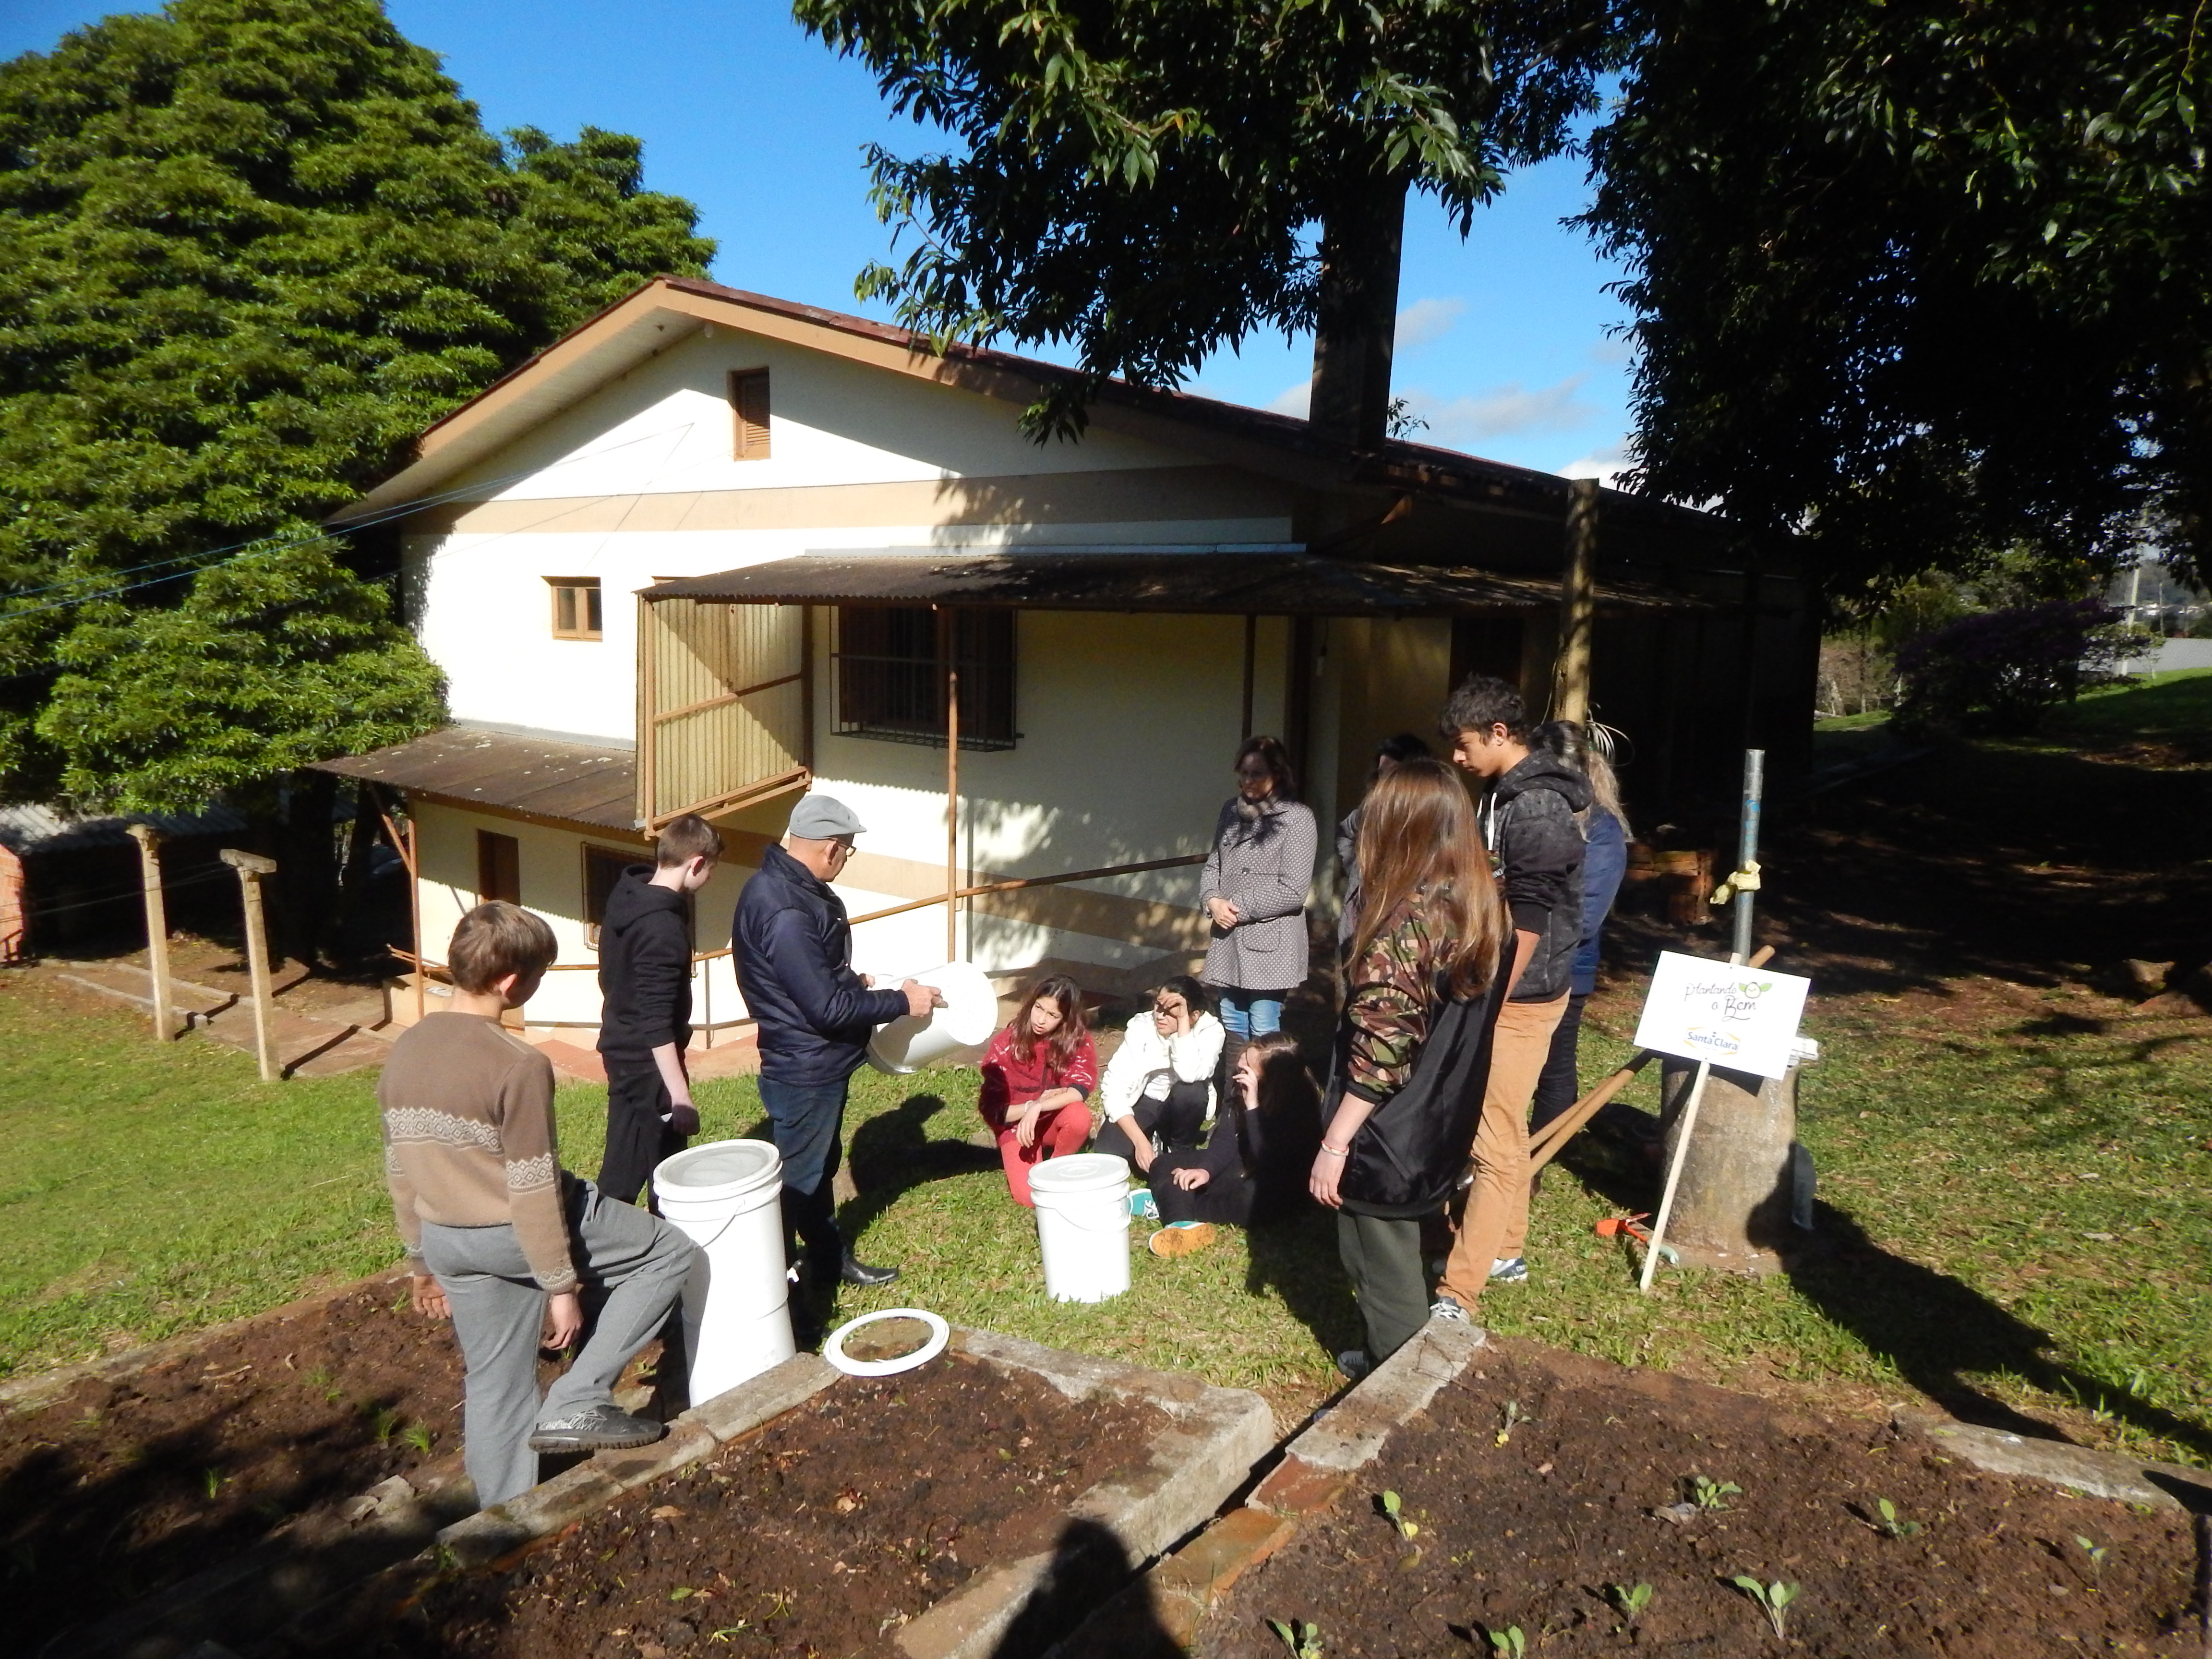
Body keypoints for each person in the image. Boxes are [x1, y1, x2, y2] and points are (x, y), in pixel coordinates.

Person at [384, 902, 698, 1506]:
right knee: (666, 1254)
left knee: (495, 1385)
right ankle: (579, 1399)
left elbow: (399, 1168)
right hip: (515, 1228)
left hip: (448, 1239)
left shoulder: (407, 1048)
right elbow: (531, 1182)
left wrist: (421, 1263)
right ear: (510, 982)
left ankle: (498, 1518)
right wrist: (561, 1287)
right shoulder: (518, 1063)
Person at [1309, 759, 1509, 1376]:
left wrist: (1336, 1143)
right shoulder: (1478, 901)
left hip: (1387, 1135)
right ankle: (1385, 1353)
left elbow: (1382, 1050)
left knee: (1380, 1266)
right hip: (1438, 1118)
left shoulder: (1403, 921)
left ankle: (1398, 1383)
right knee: (1396, 1251)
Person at [732, 794, 941, 1304]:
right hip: (806, 1066)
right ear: (830, 848)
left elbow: (807, 982)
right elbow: (824, 1009)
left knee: (817, 1165)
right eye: (847, 851)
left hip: (811, 1058)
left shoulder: (780, 887)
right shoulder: (787, 910)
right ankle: (777, 1293)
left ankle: (827, 1259)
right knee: (796, 1183)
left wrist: (851, 981)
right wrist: (899, 1000)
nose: (846, 860)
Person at [1434, 676, 1592, 1310]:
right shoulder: (1501, 795)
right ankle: (1506, 1251)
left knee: (1492, 1139)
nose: (1457, 758)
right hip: (1505, 985)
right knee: (1505, 1124)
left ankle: (1459, 1290)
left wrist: (1493, 999)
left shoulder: (1538, 809)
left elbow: (1530, 917)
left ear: (1501, 735)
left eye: (1465, 745)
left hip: (1522, 995)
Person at [595, 813, 722, 1210]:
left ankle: (596, 1245)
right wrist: (679, 1097)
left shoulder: (627, 896)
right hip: (648, 1062)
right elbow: (656, 1023)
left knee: (624, 1161)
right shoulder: (662, 930)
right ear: (697, 863)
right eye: (711, 871)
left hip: (620, 1048)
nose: (709, 881)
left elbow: (611, 976)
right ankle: (654, 1255)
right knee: (666, 1178)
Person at [1527, 721, 1632, 1142]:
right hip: (1522, 963)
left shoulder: (1602, 831)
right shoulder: (1531, 816)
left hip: (1568, 967)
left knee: (1554, 1065)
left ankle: (1543, 1150)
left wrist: (1525, 928)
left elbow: (1587, 917)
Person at [1201, 734, 1319, 1077]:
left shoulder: (1298, 819)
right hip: (1227, 935)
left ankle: (1268, 1098)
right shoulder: (1229, 811)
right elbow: (1213, 867)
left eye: (1257, 773)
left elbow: (1294, 889)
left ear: (1278, 774)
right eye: (1244, 773)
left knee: (1263, 1020)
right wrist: (1212, 900)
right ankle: (1235, 1101)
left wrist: (1234, 906)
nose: (1248, 781)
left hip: (1270, 940)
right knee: (1232, 1016)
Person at [1150, 1029, 1322, 1244]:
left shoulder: (1300, 1104)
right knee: (1164, 1163)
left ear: (1271, 1078)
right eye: (1245, 1055)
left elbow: (1268, 1159)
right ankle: (1178, 1218)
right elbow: (1226, 1138)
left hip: (1275, 1181)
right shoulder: (1240, 1082)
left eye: (1249, 1064)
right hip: (1240, 1162)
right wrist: (1206, 1170)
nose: (1241, 1063)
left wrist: (1253, 1108)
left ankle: (1172, 1203)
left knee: (1251, 1200)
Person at [977, 974, 1099, 1206]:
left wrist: (1040, 1107)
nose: (1041, 1019)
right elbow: (994, 1111)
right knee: (1030, 1198)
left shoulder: (1076, 1041)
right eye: (1039, 1008)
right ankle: (1031, 1162)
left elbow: (1079, 1089)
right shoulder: (1007, 1044)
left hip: (1050, 1119)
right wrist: (1029, 1108)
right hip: (1016, 1128)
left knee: (1079, 1117)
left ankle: (1057, 1168)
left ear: (1065, 1020)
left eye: (1052, 1015)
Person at [1095, 974, 1224, 1184]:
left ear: (1194, 1016)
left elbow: (1190, 1074)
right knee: (1109, 1149)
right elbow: (1114, 1090)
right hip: (1146, 1100)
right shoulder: (1141, 1027)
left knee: (1191, 1091)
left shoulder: (1210, 1031)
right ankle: (1151, 1138)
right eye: (1158, 1007)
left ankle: (1180, 1149)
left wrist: (1183, 1026)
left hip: (1181, 1104)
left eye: (1171, 1012)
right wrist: (1139, 1142)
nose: (1160, 1017)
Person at [1336, 733, 1432, 958]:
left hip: (1406, 931)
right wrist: (1357, 867)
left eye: (1394, 774)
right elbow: (1344, 833)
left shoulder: (1431, 816)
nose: (1386, 782)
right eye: (1382, 774)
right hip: (1359, 924)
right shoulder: (1370, 809)